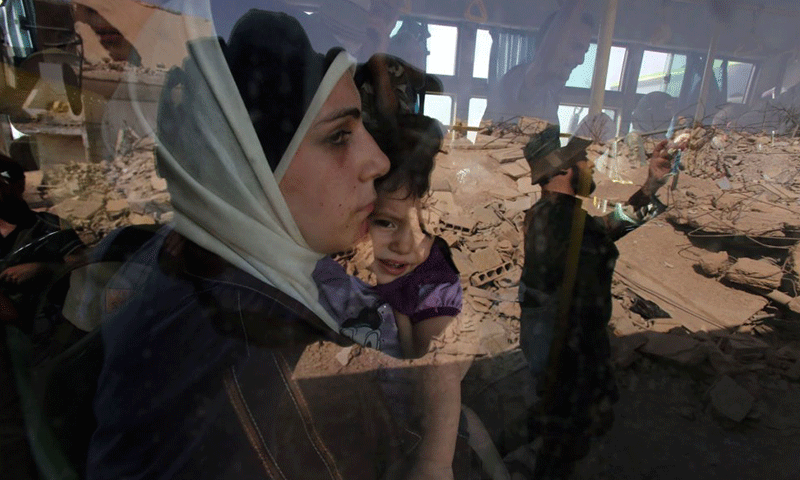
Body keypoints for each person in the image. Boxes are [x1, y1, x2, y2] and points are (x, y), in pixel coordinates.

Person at [83, 9, 451, 479]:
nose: (377, 161)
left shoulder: (200, 272)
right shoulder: (272, 357)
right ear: (247, 170)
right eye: (339, 136)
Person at [313, 55, 471, 479]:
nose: (408, 242)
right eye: (385, 222)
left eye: (426, 227)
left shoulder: (431, 279)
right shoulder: (333, 262)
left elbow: (441, 372)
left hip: (397, 444)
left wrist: (435, 463)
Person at [510, 124, 675, 479]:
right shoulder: (557, 220)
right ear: (563, 171)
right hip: (568, 351)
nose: (590, 166)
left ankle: (509, 445)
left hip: (562, 349)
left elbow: (609, 226)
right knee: (566, 438)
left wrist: (651, 185)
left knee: (558, 419)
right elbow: (576, 305)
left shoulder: (559, 214)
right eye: (583, 160)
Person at [483, 0, 595, 125]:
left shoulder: (549, 92)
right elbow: (547, 66)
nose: (581, 61)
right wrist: (574, 5)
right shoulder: (518, 81)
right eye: (575, 46)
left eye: (584, 51)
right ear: (547, 43)